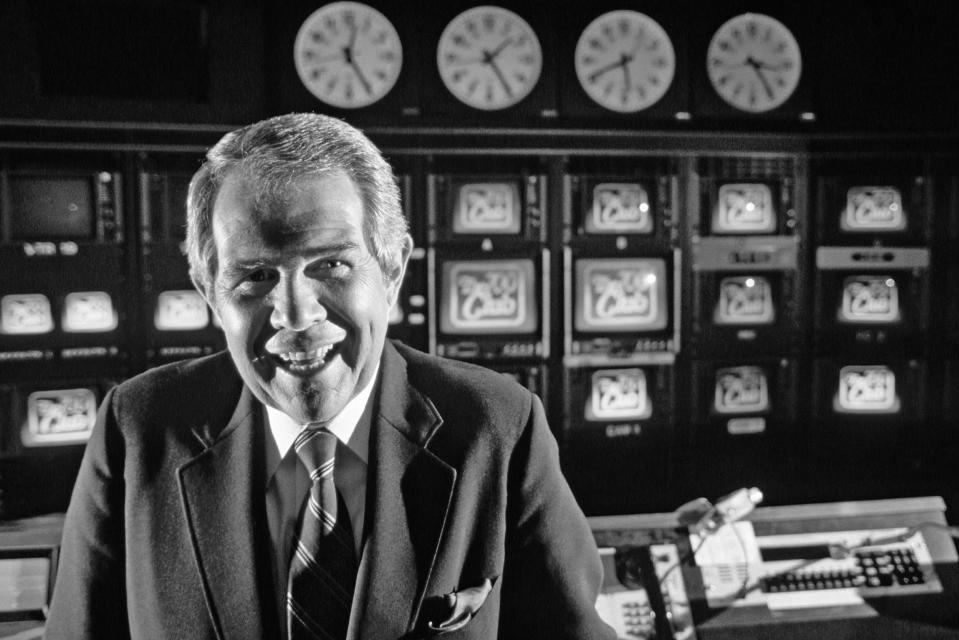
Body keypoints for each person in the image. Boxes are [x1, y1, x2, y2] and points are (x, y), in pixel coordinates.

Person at [46, 113, 616, 640]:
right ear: (209, 294)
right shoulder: (138, 429)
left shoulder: (497, 426)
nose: (296, 315)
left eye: (331, 266)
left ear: (391, 271)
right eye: (255, 276)